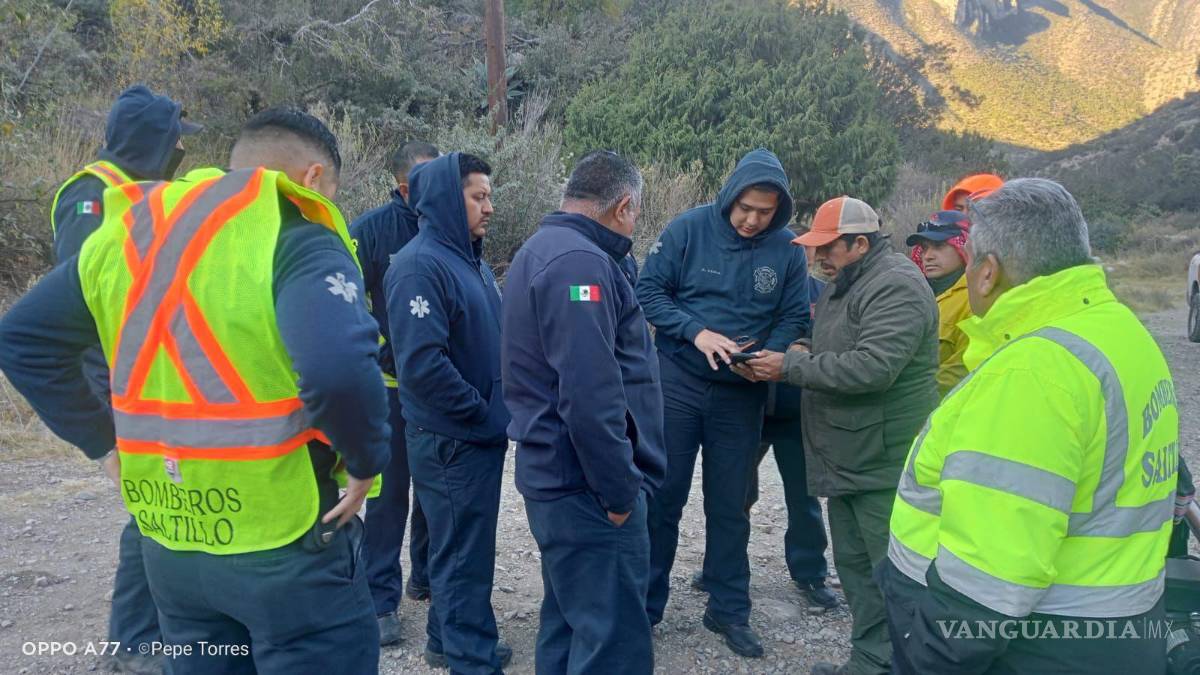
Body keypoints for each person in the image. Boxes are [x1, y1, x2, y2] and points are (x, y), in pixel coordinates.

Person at [0, 107, 390, 673]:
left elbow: (22, 338)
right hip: (285, 545)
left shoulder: (128, 231)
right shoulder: (298, 235)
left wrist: (103, 442)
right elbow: (336, 367)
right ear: (310, 179)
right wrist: (364, 460)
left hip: (172, 543)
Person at [881, 178, 1178, 674]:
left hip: (1037, 646)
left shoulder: (1031, 373)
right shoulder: (1119, 330)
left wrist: (928, 659)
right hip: (1114, 630)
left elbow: (987, 580)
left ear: (987, 273)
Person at [738, 196, 939, 675]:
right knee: (856, 570)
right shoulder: (844, 282)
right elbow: (825, 335)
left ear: (860, 243)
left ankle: (910, 664)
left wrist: (789, 366)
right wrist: (802, 345)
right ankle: (871, 662)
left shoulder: (896, 286)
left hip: (884, 463)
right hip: (851, 459)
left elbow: (874, 367)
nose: (818, 258)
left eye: (828, 248)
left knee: (895, 576)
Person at [45, 84, 203, 675]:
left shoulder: (144, 192)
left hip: (151, 373)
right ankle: (134, 642)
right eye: (175, 136)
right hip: (119, 380)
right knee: (153, 506)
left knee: (165, 502)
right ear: (152, 139)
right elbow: (87, 300)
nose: (183, 146)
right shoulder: (92, 196)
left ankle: (154, 630)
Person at [636, 148, 811, 658]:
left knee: (731, 505)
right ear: (731, 195)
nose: (754, 220)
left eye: (765, 211)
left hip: (743, 392)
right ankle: (646, 607)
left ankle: (728, 609)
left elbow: (795, 314)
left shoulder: (787, 249)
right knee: (663, 498)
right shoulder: (688, 230)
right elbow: (649, 291)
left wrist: (771, 353)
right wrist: (696, 333)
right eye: (746, 208)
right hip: (680, 384)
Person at [503, 150, 667, 674]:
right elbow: (589, 395)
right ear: (624, 206)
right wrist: (619, 491)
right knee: (611, 642)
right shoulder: (581, 263)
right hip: (587, 491)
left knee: (569, 622)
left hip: (563, 483)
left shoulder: (544, 248)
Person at [385, 152, 512, 673]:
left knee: (462, 548)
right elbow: (422, 367)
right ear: (444, 199)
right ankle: (469, 657)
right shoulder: (418, 265)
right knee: (462, 557)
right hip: (452, 439)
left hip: (472, 437)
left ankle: (448, 638)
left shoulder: (468, 258)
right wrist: (483, 414)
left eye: (489, 196)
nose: (490, 207)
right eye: (478, 196)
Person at [694, 268, 836, 611]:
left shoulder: (823, 293)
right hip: (744, 409)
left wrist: (801, 347)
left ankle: (811, 574)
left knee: (803, 497)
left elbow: (827, 341)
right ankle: (720, 569)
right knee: (733, 496)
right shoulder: (745, 283)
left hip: (796, 410)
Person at [351, 141, 439, 644]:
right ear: (405, 187)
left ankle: (424, 578)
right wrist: (379, 342)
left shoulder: (451, 225)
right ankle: (379, 600)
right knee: (387, 498)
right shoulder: (370, 230)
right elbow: (342, 298)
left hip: (437, 389)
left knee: (435, 490)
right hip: (388, 390)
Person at [905, 210, 973, 397]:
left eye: (939, 246)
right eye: (924, 248)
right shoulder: (915, 294)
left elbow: (963, 370)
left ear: (964, 247)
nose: (928, 256)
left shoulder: (975, 300)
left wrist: (905, 393)